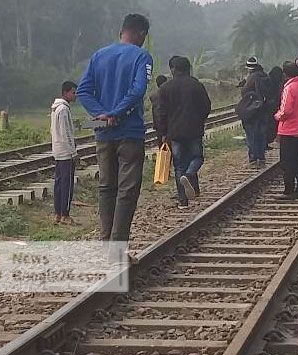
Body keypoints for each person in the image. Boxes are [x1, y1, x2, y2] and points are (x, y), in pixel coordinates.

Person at [77, 13, 152, 242]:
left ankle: (105, 239)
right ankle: (118, 246)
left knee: (106, 187)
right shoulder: (142, 56)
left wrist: (100, 114)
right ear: (140, 33)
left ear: (122, 30)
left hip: (103, 133)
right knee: (127, 191)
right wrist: (116, 113)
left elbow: (83, 91)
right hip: (129, 132)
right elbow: (139, 91)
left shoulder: (99, 55)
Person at [156, 56, 212, 209]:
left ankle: (183, 201)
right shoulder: (196, 85)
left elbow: (161, 113)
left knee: (179, 164)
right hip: (194, 130)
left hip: (174, 133)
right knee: (197, 158)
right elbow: (206, 106)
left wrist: (163, 133)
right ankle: (189, 174)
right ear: (188, 68)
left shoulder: (165, 88)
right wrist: (199, 119)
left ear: (173, 69)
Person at [275, 63, 298, 200]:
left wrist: (277, 116)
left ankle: (289, 190)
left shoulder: (289, 88)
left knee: (287, 161)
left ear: (285, 75)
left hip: (289, 130)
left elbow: (286, 110)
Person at [51, 81, 78, 224]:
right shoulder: (64, 109)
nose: (75, 95)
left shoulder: (56, 108)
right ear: (65, 93)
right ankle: (65, 214)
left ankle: (57, 213)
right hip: (66, 152)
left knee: (59, 183)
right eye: (73, 92)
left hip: (58, 150)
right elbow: (66, 132)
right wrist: (73, 152)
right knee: (67, 185)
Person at [237, 57, 271, 168]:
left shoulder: (251, 77)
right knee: (261, 134)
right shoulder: (265, 76)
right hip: (263, 110)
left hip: (252, 112)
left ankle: (253, 158)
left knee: (251, 135)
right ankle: (261, 158)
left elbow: (245, 93)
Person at [265, 65, 285, 150]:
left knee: (269, 125)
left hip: (270, 106)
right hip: (274, 106)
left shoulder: (268, 81)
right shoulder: (280, 82)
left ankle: (269, 140)